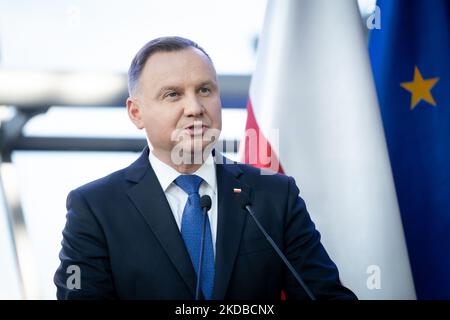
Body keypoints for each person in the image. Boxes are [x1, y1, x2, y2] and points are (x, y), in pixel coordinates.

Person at [54, 36, 357, 300]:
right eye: (173, 94)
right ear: (136, 113)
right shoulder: (95, 208)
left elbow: (324, 293)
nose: (195, 108)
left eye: (204, 90)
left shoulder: (274, 194)